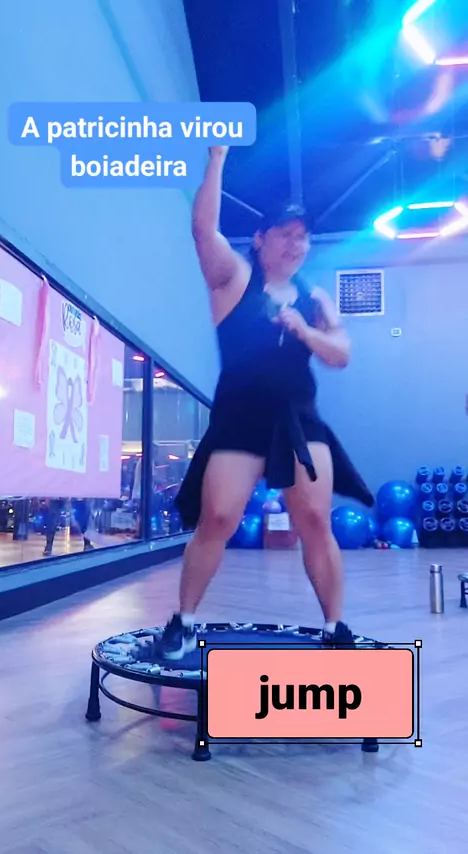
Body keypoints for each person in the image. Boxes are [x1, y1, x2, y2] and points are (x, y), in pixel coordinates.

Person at [158, 145, 374, 660]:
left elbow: (341, 354)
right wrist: (216, 159)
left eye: (303, 237)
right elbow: (202, 230)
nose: (296, 244)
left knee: (316, 522)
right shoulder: (234, 280)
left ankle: (334, 625)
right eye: (285, 234)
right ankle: (183, 621)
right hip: (240, 418)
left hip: (300, 420)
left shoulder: (315, 299)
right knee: (217, 518)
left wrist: (304, 331)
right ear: (260, 239)